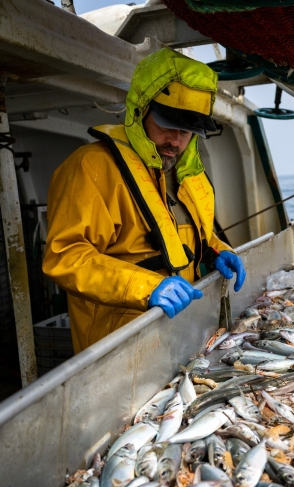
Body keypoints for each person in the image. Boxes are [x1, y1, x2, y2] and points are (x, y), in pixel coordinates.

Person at [43, 48, 246, 354]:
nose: (176, 141)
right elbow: (66, 257)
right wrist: (145, 287)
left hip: (179, 339)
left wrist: (215, 252)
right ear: (140, 110)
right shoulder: (91, 167)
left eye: (187, 130)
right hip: (120, 350)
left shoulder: (183, 174)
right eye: (167, 124)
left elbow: (181, 237)